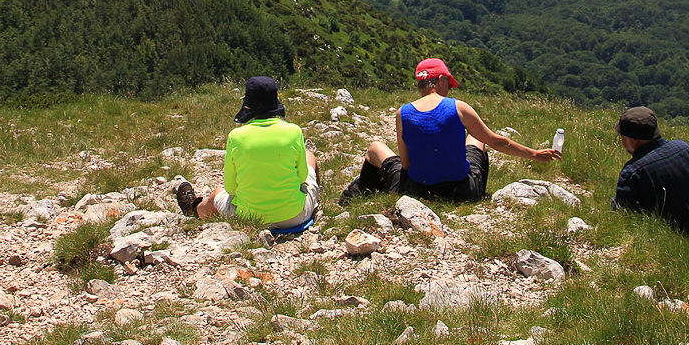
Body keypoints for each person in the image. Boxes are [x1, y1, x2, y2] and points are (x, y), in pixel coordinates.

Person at [340, 58, 560, 203]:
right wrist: (534, 154)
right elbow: (497, 142)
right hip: (461, 192)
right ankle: (480, 191)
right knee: (477, 138)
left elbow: (405, 165)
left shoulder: (403, 113)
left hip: (416, 192)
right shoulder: (458, 107)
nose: (450, 89)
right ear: (441, 80)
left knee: (375, 148)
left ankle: (356, 197)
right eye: (449, 84)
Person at [176, 76, 321, 230]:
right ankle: (318, 203)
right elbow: (302, 177)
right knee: (309, 156)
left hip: (249, 218)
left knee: (215, 195)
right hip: (295, 217)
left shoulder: (236, 136)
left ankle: (194, 209)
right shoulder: (294, 132)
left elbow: (231, 188)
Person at [612, 106, 689, 244]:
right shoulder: (683, 147)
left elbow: (623, 215)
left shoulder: (633, 171)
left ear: (632, 139)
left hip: (672, 240)